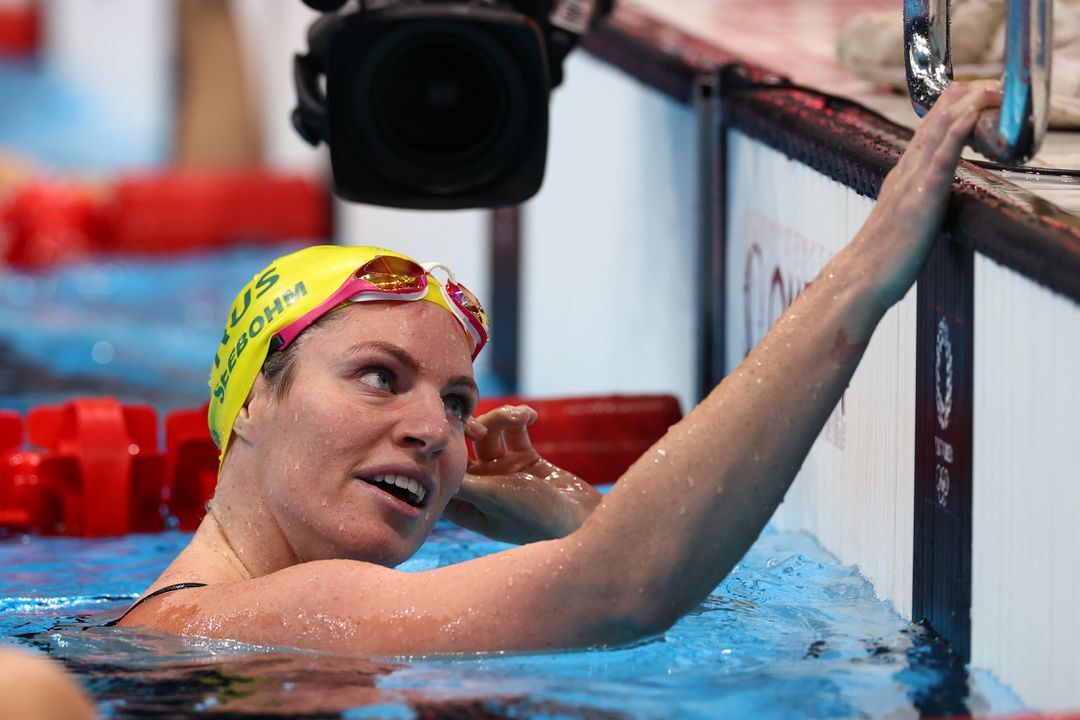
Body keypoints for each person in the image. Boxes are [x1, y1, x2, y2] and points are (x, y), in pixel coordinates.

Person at [109, 81, 1003, 654]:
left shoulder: (232, 634)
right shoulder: (253, 617)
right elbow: (621, 592)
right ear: (253, 400)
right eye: (380, 376)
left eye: (456, 402)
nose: (433, 431)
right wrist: (863, 276)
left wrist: (571, 520)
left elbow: (661, 593)